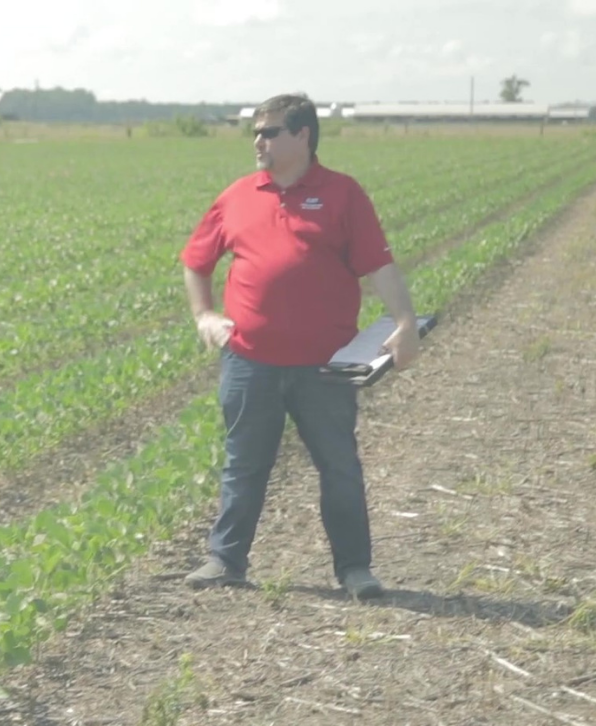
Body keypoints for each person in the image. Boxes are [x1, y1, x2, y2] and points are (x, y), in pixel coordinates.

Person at [178, 93, 420, 599]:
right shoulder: (238, 195)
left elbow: (379, 265)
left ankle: (355, 570)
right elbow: (196, 261)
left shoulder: (343, 194)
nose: (257, 141)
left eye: (268, 132)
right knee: (244, 464)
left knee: (338, 465)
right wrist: (204, 316)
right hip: (250, 361)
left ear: (302, 135)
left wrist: (405, 320)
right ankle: (226, 561)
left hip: (324, 366)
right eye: (255, 132)